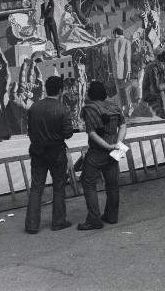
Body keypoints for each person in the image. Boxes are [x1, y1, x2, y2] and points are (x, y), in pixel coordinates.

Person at [24, 76, 74, 234]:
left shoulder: (34, 108)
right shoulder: (63, 109)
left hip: (38, 152)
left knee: (36, 188)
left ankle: (32, 225)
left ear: (46, 88)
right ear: (60, 90)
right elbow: (68, 134)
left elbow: (30, 131)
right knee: (58, 187)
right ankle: (58, 222)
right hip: (57, 152)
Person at [77, 81, 127, 230]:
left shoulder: (89, 109)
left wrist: (107, 146)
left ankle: (94, 219)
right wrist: (117, 143)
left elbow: (92, 134)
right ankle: (112, 216)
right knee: (112, 185)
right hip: (114, 150)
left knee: (88, 183)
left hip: (98, 152)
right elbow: (123, 126)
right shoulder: (115, 106)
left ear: (91, 94)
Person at [111, 27, 133, 117]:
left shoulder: (111, 43)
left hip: (115, 71)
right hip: (124, 71)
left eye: (114, 33)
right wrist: (128, 71)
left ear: (116, 33)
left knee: (119, 91)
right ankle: (129, 108)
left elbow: (110, 59)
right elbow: (128, 58)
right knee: (124, 90)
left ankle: (122, 109)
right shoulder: (127, 42)